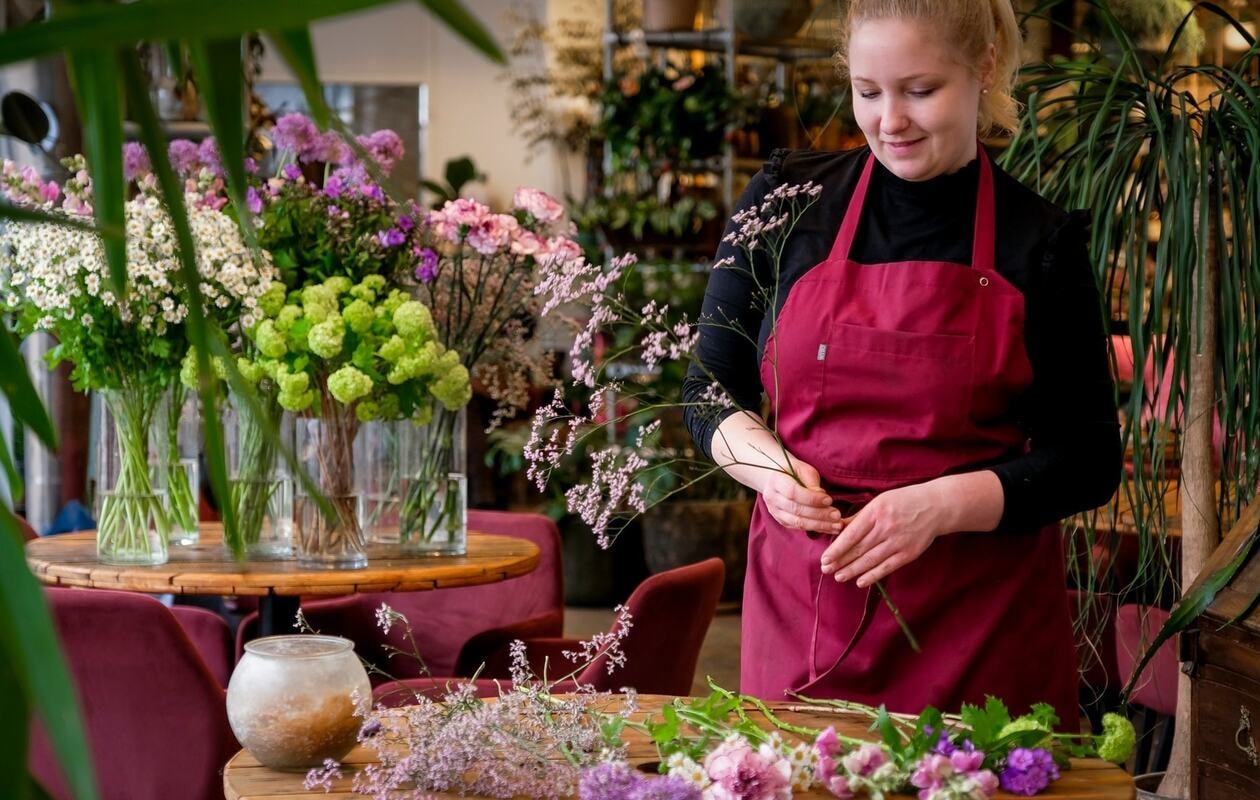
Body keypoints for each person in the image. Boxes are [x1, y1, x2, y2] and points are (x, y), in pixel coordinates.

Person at [682, 0, 1120, 726]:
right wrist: (769, 471)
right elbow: (707, 390)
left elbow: (1088, 460)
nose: (890, 121)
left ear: (983, 67)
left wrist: (938, 507)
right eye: (867, 91)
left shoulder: (1039, 241)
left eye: (920, 90)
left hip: (979, 630)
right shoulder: (788, 202)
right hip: (806, 611)